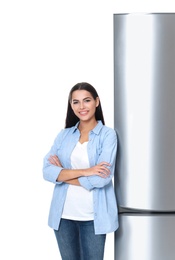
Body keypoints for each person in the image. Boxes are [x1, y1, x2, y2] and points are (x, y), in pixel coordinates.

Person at [43, 82, 119, 260]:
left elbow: (102, 179)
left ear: (97, 102)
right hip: (63, 216)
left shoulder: (108, 135)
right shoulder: (64, 135)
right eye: (75, 102)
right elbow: (47, 171)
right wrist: (86, 171)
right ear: (71, 105)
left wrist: (62, 174)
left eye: (86, 100)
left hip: (93, 218)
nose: (81, 106)